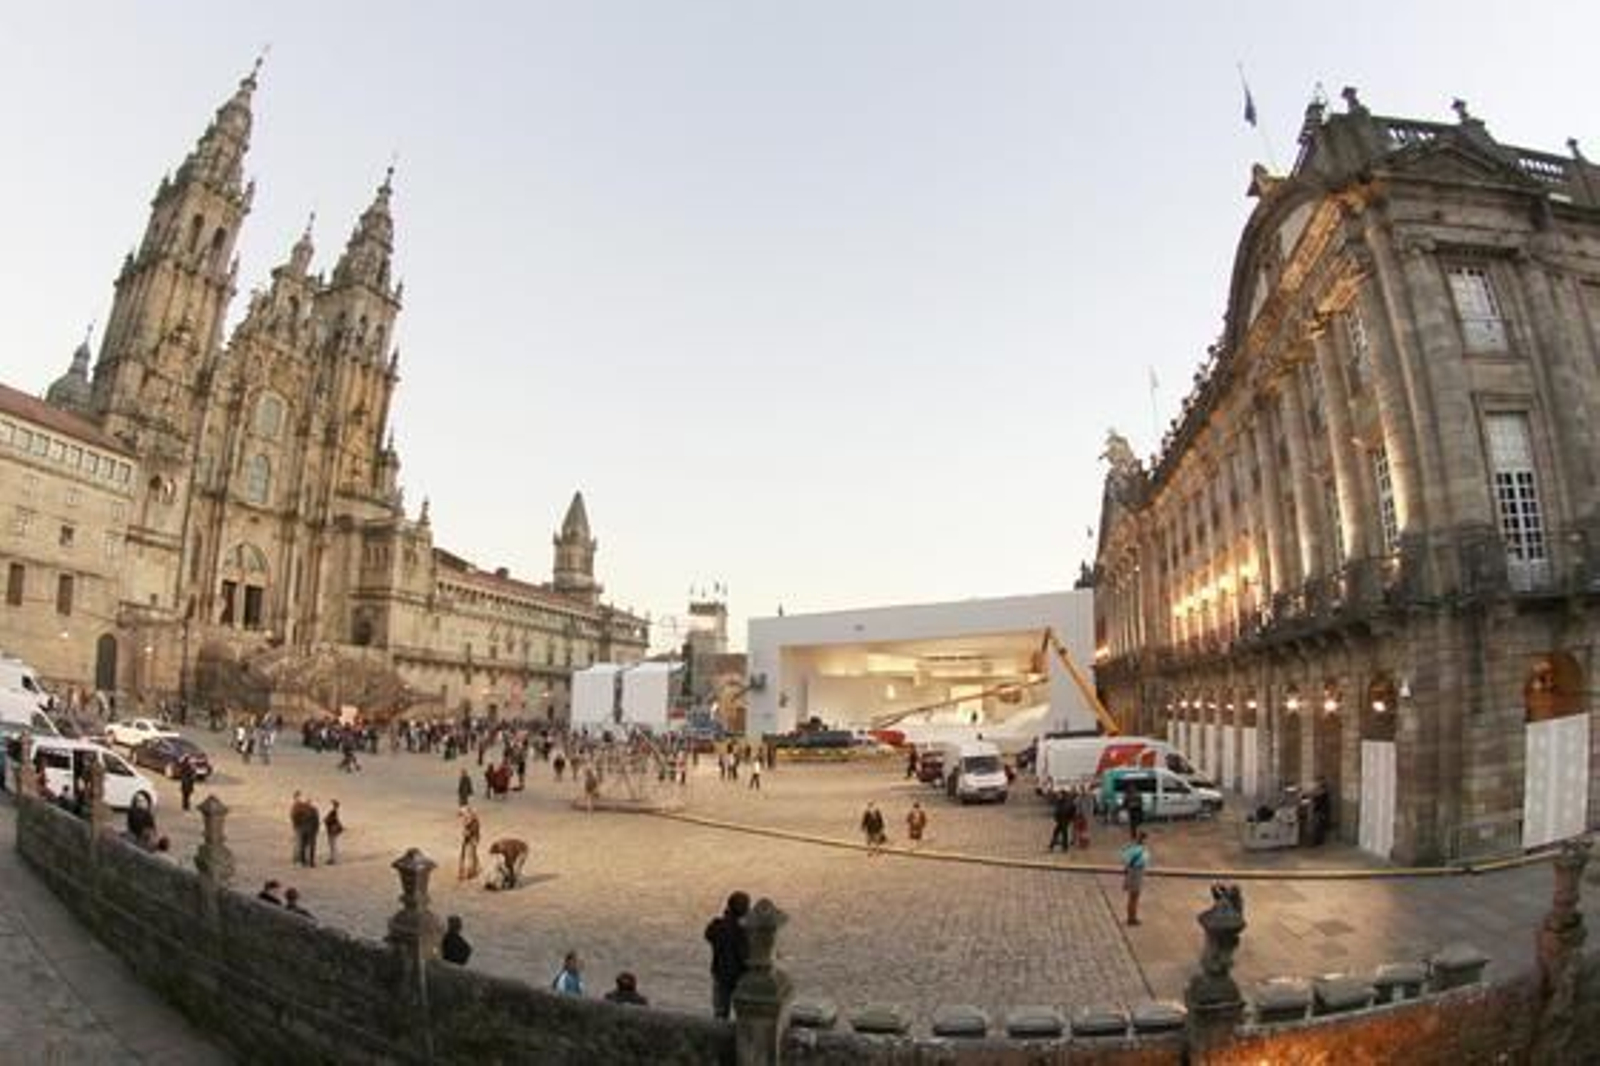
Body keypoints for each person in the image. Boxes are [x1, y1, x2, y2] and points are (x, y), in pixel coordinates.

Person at [704, 891, 750, 1020]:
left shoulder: (717, 926)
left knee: (720, 1014)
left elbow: (708, 935)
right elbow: (745, 955)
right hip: (739, 977)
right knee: (743, 1015)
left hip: (720, 974)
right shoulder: (743, 931)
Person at [1121, 830, 1149, 926]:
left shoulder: (1131, 848)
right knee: (1135, 897)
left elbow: (1123, 856)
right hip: (1137, 873)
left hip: (1130, 872)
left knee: (1131, 897)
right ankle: (1132, 918)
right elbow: (1145, 861)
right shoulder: (1142, 850)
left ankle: (1130, 917)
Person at [458, 805, 482, 881]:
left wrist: (467, 833)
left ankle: (471, 871)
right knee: (469, 855)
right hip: (469, 839)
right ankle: (470, 871)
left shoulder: (474, 821)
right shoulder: (469, 820)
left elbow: (472, 832)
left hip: (472, 839)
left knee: (470, 855)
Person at [324, 800, 344, 865]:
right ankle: (333, 859)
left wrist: (326, 820)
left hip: (331, 831)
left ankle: (333, 859)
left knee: (332, 845)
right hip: (333, 831)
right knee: (333, 845)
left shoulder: (333, 812)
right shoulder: (334, 812)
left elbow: (330, 820)